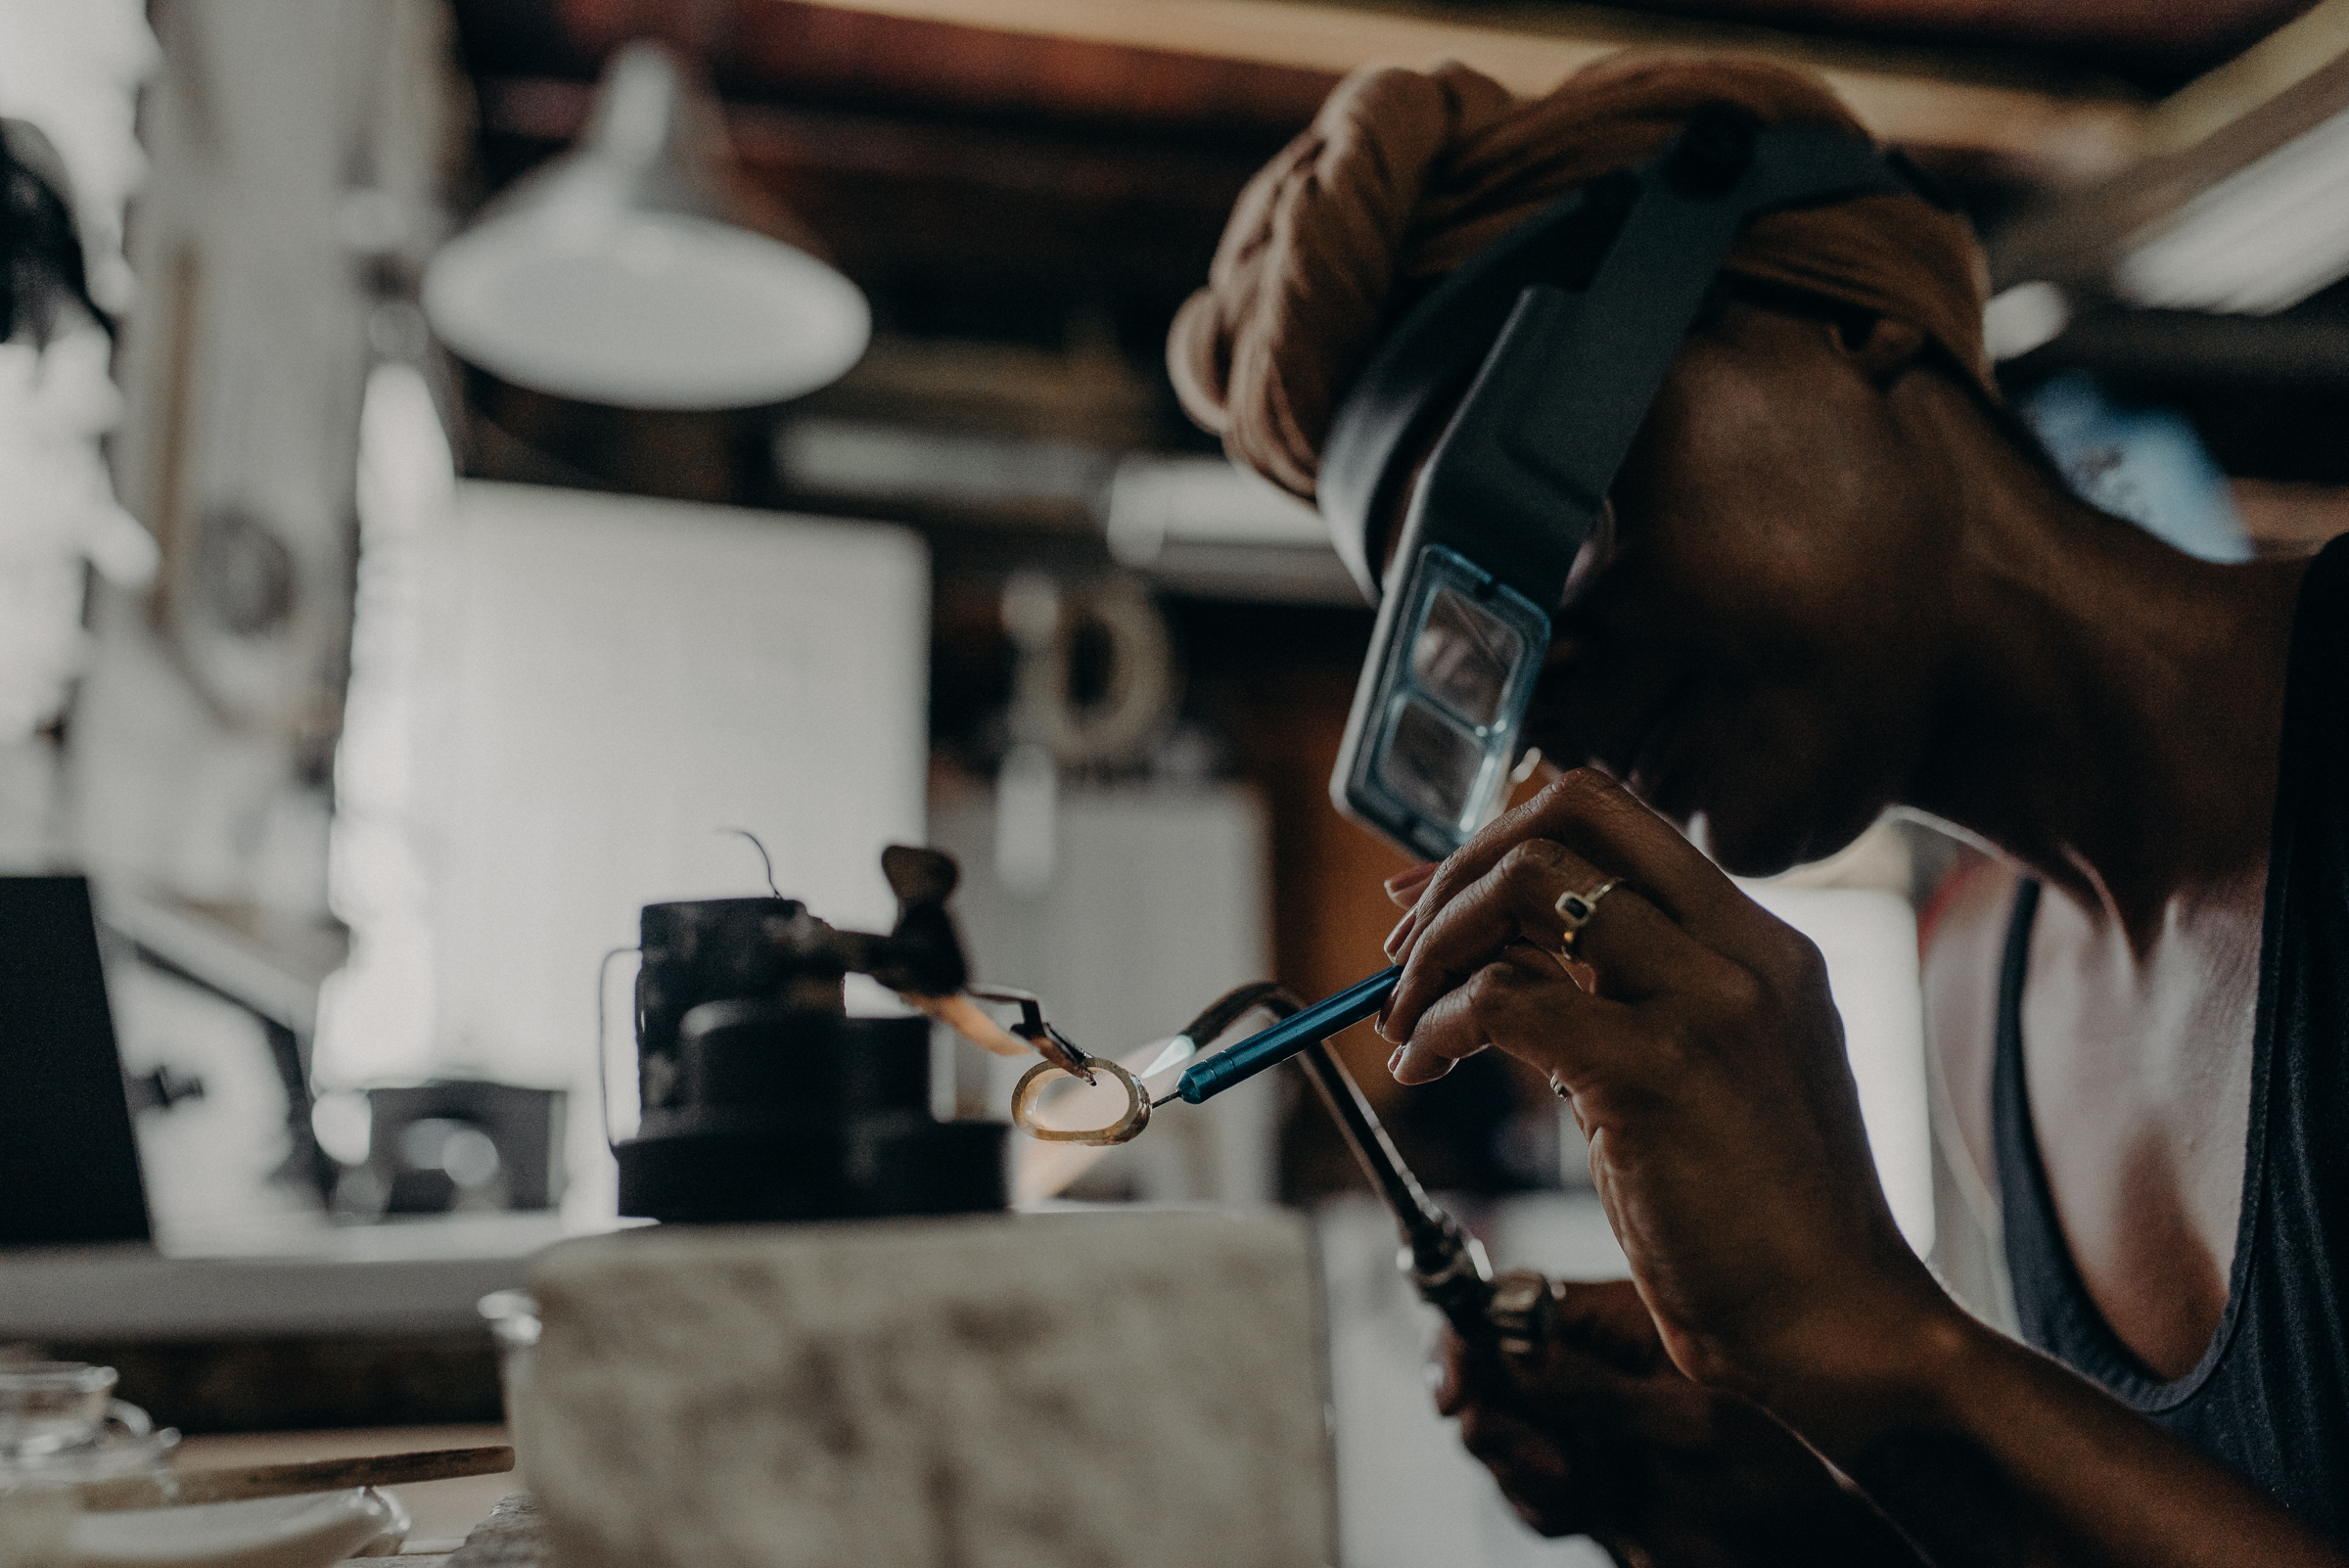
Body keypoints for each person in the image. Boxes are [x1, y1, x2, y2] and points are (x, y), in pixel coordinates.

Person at [1169, 51, 2349, 1566]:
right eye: (1484, 652)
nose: (1547, 706)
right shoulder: (1986, 985)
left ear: (1854, 316)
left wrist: (1887, 1350)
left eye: (1561, 516)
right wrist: (1843, 1496)